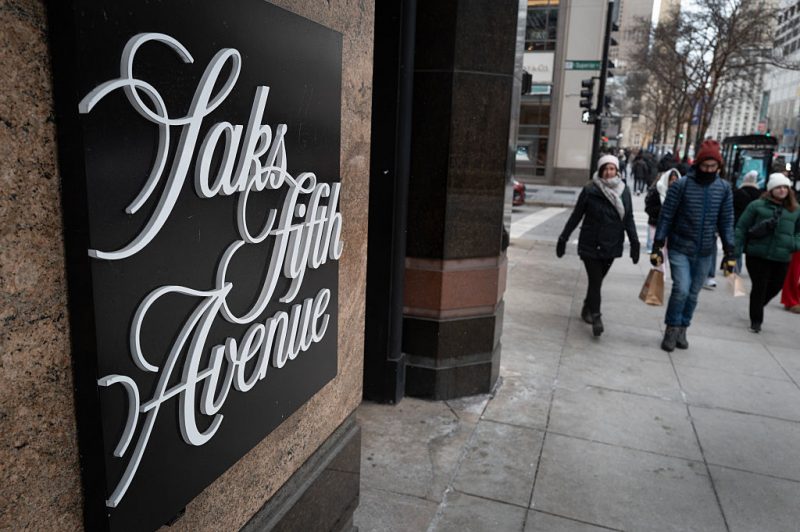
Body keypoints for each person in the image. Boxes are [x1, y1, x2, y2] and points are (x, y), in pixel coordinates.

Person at [651, 139, 735, 352]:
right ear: (698, 164)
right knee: (681, 288)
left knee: (693, 293)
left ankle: (683, 327)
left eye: (713, 166)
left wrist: (730, 251)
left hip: (705, 250)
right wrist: (658, 245)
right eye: (705, 166)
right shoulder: (682, 185)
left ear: (719, 166)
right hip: (680, 246)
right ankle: (671, 328)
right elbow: (666, 216)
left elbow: (726, 221)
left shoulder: (723, 188)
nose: (709, 170)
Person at [556, 154, 640, 337]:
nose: (609, 172)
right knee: (595, 281)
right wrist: (563, 238)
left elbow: (628, 218)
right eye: (605, 169)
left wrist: (635, 243)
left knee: (597, 281)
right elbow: (577, 215)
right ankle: (596, 316)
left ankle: (587, 306)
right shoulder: (590, 189)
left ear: (617, 170)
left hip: (611, 244)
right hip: (590, 243)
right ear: (600, 170)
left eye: (612, 169)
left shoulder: (624, 191)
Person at [735, 173, 800, 332]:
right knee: (760, 286)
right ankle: (756, 321)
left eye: (785, 187)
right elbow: (741, 227)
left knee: (776, 286)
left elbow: (799, 231)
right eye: (778, 187)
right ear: (771, 189)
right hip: (757, 254)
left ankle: (757, 305)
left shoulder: (795, 209)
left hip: (782, 256)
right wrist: (735, 250)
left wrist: (794, 244)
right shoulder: (756, 205)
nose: (782, 190)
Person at [645, 167, 681, 269]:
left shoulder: (680, 193)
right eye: (671, 180)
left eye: (676, 180)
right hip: (656, 225)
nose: (673, 182)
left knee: (668, 252)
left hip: (672, 228)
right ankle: (661, 273)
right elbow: (648, 208)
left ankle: (660, 271)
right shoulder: (658, 190)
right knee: (660, 251)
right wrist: (663, 210)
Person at [733, 170, 763, 272]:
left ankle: (736, 268)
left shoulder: (737, 193)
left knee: (738, 246)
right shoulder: (760, 195)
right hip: (754, 225)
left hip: (738, 223)